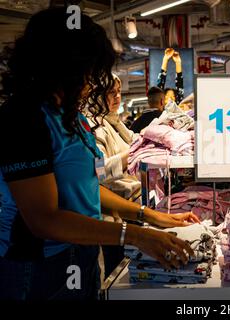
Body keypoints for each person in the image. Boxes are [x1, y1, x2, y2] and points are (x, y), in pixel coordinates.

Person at [0, 7, 199, 300]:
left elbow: (88, 187)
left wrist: (149, 216)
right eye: (88, 68)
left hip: (82, 250)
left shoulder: (69, 115)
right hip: (38, 267)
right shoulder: (24, 118)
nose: (92, 79)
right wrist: (134, 234)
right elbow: (43, 219)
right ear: (62, 64)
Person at [86, 74, 141, 279]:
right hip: (113, 212)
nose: (117, 97)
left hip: (127, 208)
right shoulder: (93, 126)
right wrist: (133, 155)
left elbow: (134, 141)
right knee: (116, 275)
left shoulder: (113, 122)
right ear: (96, 95)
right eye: (111, 92)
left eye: (119, 92)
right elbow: (98, 170)